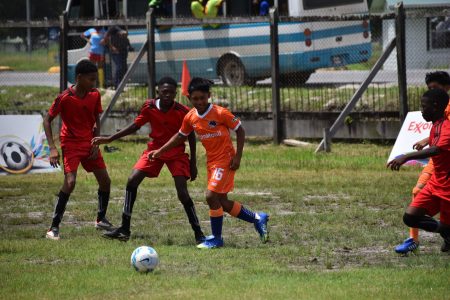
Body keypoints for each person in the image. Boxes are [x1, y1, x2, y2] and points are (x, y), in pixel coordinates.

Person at [148, 77, 269, 249]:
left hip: (225, 160)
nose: (199, 102)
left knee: (210, 196)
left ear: (209, 96)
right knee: (223, 202)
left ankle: (217, 239)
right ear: (189, 98)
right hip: (212, 162)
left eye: (202, 98)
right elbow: (180, 136)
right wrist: (160, 151)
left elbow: (240, 131)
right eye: (195, 99)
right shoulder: (190, 117)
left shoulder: (220, 113)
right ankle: (257, 218)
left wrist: (238, 157)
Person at [92, 77, 206, 244]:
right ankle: (124, 228)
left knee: (182, 193)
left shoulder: (183, 111)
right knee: (132, 180)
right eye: (164, 92)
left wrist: (193, 163)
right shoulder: (149, 107)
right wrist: (110, 138)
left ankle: (198, 233)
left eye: (171, 92)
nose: (167, 95)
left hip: (176, 153)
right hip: (154, 151)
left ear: (176, 93)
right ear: (158, 91)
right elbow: (135, 126)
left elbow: (190, 136)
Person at [43, 59, 113, 240]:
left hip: (89, 143)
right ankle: (53, 228)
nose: (94, 83)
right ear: (79, 78)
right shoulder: (64, 98)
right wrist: (52, 148)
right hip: (71, 143)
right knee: (71, 182)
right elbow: (47, 120)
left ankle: (100, 219)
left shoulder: (94, 95)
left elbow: (96, 118)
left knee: (105, 181)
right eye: (91, 79)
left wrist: (96, 142)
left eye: (95, 80)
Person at [388, 89, 450, 253]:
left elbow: (436, 150)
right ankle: (447, 234)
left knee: (445, 228)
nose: (421, 110)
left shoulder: (447, 126)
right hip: (436, 182)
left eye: (424, 106)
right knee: (410, 217)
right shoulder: (436, 125)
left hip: (448, 187)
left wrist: (406, 157)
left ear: (435, 106)